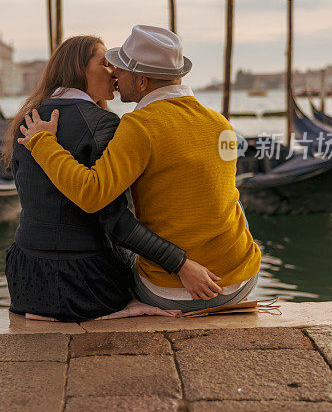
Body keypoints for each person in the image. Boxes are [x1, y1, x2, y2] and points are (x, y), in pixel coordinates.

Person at [18, 25, 261, 313]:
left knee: (122, 250)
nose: (115, 75)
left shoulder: (139, 126)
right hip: (243, 279)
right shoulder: (220, 122)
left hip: (175, 292)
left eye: (120, 69)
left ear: (142, 82)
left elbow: (92, 194)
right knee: (228, 196)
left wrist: (42, 142)